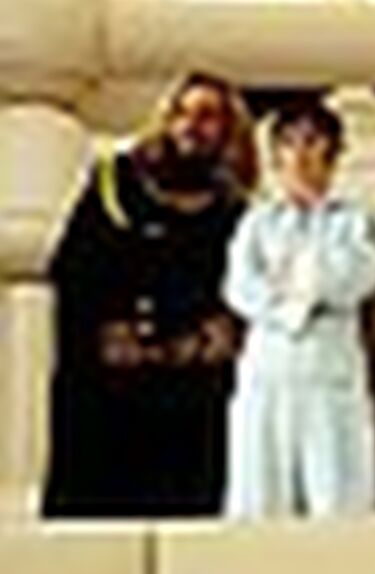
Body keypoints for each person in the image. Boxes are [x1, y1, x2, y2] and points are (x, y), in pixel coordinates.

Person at [43, 72, 256, 517]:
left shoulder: (235, 212)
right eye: (182, 113)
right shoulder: (114, 185)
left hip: (191, 399)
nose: (191, 126)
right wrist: (111, 331)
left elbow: (244, 296)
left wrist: (220, 332)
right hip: (109, 393)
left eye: (207, 116)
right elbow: (73, 271)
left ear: (228, 130)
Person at [223, 102, 375, 518]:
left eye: (311, 141)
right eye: (288, 143)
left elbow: (359, 275)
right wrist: (289, 305)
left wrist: (302, 283)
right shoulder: (256, 223)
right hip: (267, 372)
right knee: (259, 498)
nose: (299, 154)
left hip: (329, 374)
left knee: (337, 497)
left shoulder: (354, 220)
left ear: (332, 151)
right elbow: (240, 287)